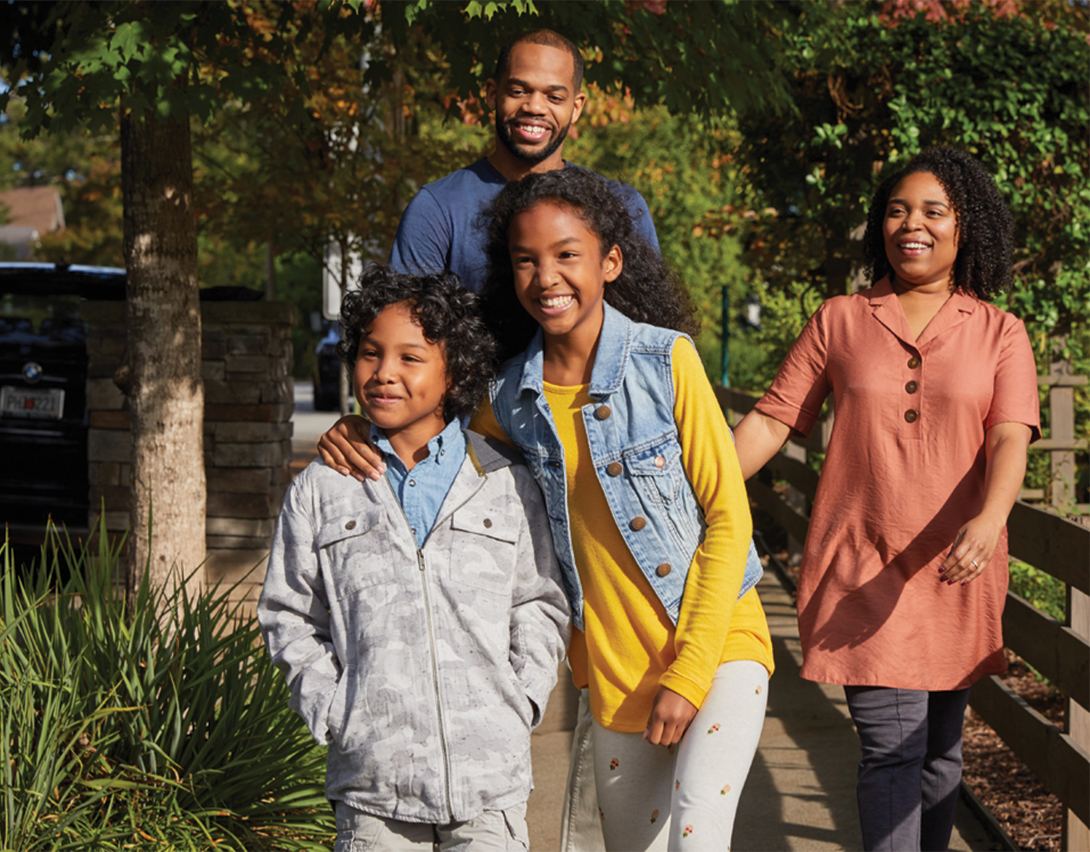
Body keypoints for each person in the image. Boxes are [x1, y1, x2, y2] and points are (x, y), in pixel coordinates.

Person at [732, 146, 1039, 852]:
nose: (913, 225)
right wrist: (697, 489)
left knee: (939, 756)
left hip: (958, 570)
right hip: (861, 569)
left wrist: (990, 520)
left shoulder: (1000, 332)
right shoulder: (840, 319)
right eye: (898, 210)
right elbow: (774, 419)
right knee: (892, 752)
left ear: (967, 228)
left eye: (934, 211)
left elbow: (1011, 440)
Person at [471, 166, 773, 851]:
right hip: (614, 670)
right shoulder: (509, 399)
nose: (546, 276)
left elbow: (728, 519)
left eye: (567, 254)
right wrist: (356, 435)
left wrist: (692, 673)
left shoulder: (667, 362)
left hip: (717, 646)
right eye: (527, 259)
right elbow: (435, 453)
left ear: (610, 261)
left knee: (697, 836)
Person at [259, 268, 570, 852]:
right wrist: (333, 709)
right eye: (371, 354)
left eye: (410, 357)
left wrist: (520, 699)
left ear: (455, 372)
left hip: (489, 787)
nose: (384, 373)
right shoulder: (324, 490)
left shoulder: (504, 483)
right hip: (373, 789)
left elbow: (538, 602)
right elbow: (289, 613)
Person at [388, 28, 659, 294]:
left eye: (554, 97)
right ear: (493, 94)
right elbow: (404, 328)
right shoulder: (438, 208)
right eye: (519, 91)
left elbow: (650, 323)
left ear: (575, 108)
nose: (535, 107)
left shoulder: (621, 206)